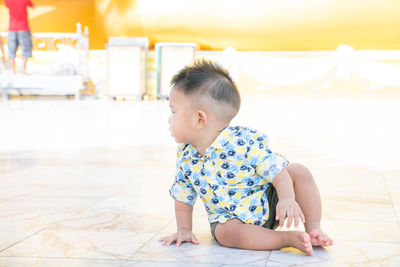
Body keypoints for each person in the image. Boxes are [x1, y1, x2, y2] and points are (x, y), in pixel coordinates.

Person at [159, 60, 333, 256]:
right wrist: (184, 229)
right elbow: (183, 195)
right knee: (225, 234)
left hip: (268, 203)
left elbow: (277, 171)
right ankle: (287, 239)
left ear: (200, 119)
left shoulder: (242, 142)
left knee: (298, 171)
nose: (169, 119)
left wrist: (286, 199)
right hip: (231, 221)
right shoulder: (186, 155)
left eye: (173, 111)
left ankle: (314, 228)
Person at [5, 0, 34, 75]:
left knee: (11, 50)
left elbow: (6, 5)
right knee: (25, 49)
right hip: (23, 27)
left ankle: (13, 71)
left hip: (12, 28)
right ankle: (23, 71)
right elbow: (32, 5)